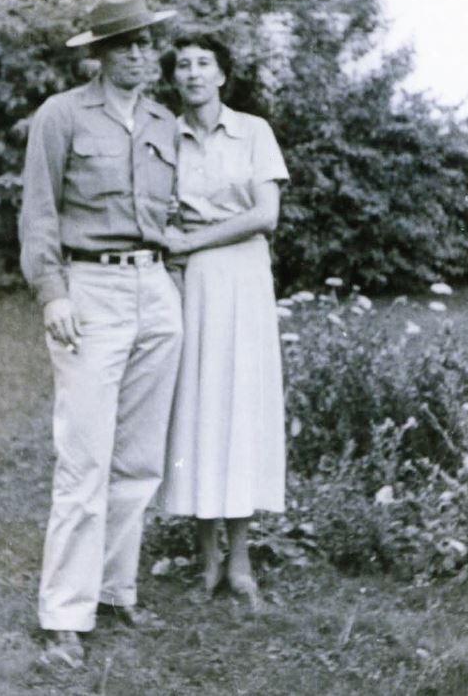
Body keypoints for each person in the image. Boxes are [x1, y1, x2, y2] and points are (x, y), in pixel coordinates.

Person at [18, 0, 183, 667]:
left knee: (139, 458)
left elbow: (177, 209)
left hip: (154, 286)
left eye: (148, 42)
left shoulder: (162, 121)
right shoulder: (60, 117)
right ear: (101, 54)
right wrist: (52, 293)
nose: (143, 54)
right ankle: (63, 614)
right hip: (90, 288)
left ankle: (115, 591)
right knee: (83, 454)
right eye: (128, 44)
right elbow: (38, 213)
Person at [157, 33, 288, 609]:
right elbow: (157, 212)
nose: (192, 74)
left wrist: (195, 238)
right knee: (197, 407)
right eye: (182, 65)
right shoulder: (164, 136)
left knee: (241, 407)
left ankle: (241, 561)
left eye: (203, 63)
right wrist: (173, 245)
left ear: (222, 74)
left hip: (244, 279)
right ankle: (206, 559)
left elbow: (265, 215)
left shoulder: (253, 131)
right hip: (192, 284)